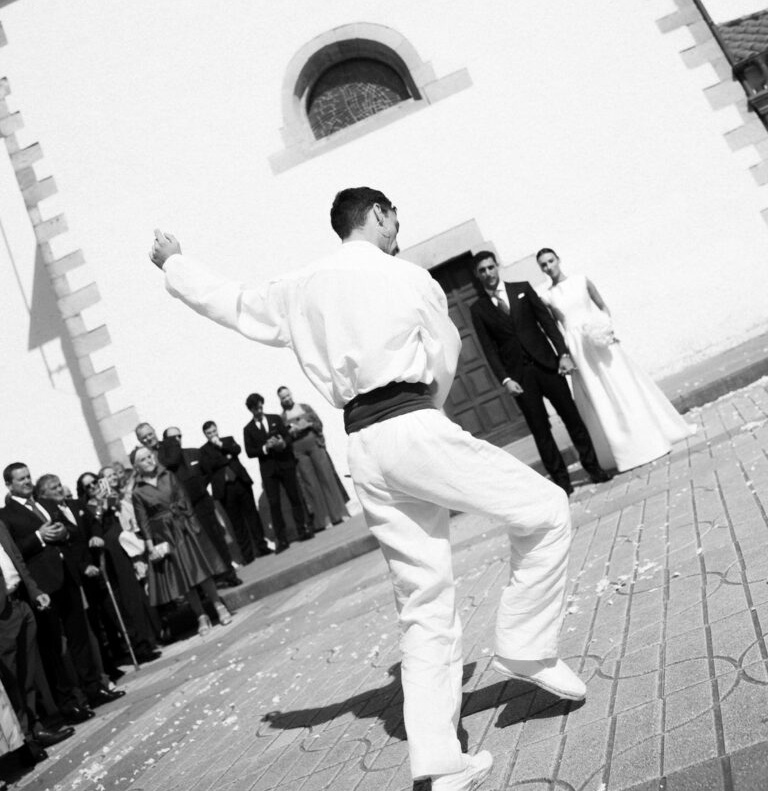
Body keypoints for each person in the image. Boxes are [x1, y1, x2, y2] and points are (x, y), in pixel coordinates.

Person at [150, 188, 584, 791]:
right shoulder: (405, 277)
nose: (399, 229)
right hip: (411, 423)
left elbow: (235, 304)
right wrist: (429, 413)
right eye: (395, 218)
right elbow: (446, 352)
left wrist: (175, 262)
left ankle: (439, 761)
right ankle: (526, 643)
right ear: (378, 215)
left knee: (422, 598)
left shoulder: (301, 286)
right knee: (545, 507)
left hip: (363, 445)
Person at [536, 249, 695, 472]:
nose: (548, 267)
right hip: (577, 348)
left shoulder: (581, 281)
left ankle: (648, 438)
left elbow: (602, 305)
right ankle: (620, 449)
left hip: (599, 340)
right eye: (543, 265)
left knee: (623, 385)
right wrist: (565, 353)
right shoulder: (547, 297)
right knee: (598, 394)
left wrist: (605, 327)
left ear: (558, 260)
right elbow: (554, 327)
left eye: (551, 261)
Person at [470, 251, 611, 496]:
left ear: (497, 266)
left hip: (548, 365)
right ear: (477, 274)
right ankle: (562, 483)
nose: (488, 273)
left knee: (572, 419)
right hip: (520, 377)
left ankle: (594, 468)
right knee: (541, 431)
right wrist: (505, 379)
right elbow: (489, 350)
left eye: (490, 267)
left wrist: (563, 354)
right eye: (482, 270)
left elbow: (546, 323)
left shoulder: (521, 289)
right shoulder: (479, 309)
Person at [0, 464, 123, 720]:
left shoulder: (46, 502)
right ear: (9, 485)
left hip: (67, 576)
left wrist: (64, 531)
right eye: (20, 479)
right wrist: (39, 536)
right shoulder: (7, 515)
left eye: (28, 477)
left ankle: (93, 689)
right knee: (54, 647)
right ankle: (68, 703)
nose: (27, 482)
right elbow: (14, 552)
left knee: (80, 637)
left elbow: (75, 529)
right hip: (43, 585)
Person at [130, 447, 232, 637]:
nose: (149, 460)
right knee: (184, 576)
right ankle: (200, 615)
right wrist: (151, 546)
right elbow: (143, 521)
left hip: (183, 527)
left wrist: (192, 523)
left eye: (150, 456)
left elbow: (183, 498)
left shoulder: (168, 476)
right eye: (143, 459)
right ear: (137, 466)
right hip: (164, 535)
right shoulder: (138, 492)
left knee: (201, 570)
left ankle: (218, 605)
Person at [0, 519, 74, 767]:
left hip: (21, 602)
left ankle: (36, 727)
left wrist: (34, 590)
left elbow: (17, 560)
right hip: (2, 614)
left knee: (27, 673)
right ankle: (24, 741)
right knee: (11, 679)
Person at [76, 471, 161, 664]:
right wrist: (100, 504)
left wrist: (110, 499)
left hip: (124, 547)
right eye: (87, 486)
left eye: (95, 482)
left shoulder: (109, 498)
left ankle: (151, 636)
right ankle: (139, 644)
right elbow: (94, 525)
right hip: (109, 553)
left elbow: (120, 510)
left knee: (136, 594)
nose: (93, 487)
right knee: (124, 599)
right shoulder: (87, 507)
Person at [157, 429, 243, 588]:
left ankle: (228, 573)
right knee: (199, 545)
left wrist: (199, 487)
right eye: (172, 438)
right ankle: (212, 578)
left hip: (202, 503)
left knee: (216, 537)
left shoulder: (193, 453)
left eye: (179, 436)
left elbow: (207, 471)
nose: (177, 440)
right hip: (184, 509)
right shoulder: (164, 461)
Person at [242, 394, 313, 553]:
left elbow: (287, 436)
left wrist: (282, 443)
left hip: (285, 463)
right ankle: (282, 539)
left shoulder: (274, 418)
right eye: (255, 409)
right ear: (251, 410)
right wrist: (265, 447)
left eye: (260, 407)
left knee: (294, 496)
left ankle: (303, 529)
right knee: (274, 503)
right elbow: (249, 451)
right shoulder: (248, 429)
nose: (259, 410)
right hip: (268, 469)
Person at [198, 421, 272, 563]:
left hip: (240, 482)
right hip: (225, 489)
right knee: (237, 522)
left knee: (252, 516)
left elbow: (237, 450)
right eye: (209, 433)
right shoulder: (204, 451)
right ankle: (247, 554)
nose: (212, 435)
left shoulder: (227, 440)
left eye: (214, 431)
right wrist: (226, 458)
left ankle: (262, 547)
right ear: (205, 435)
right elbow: (208, 467)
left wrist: (221, 446)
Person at [277, 387, 347, 529]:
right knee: (310, 484)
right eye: (283, 397)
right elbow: (284, 437)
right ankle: (324, 520)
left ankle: (340, 513)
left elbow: (318, 423)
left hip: (314, 444)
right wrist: (291, 432)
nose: (286, 399)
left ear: (291, 394)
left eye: (287, 395)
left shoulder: (305, 408)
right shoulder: (282, 418)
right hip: (298, 450)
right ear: (280, 400)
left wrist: (308, 424)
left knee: (327, 477)